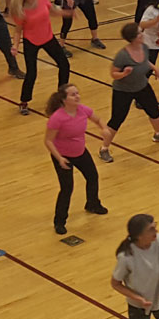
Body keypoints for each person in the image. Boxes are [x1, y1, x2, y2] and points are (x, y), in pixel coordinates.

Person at [96, 23, 159, 164]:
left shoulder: (144, 48)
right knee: (117, 119)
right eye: (139, 34)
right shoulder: (122, 55)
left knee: (154, 111)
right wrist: (123, 73)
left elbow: (145, 61)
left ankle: (158, 134)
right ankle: (104, 148)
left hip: (142, 86)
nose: (142, 34)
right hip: (123, 91)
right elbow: (113, 74)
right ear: (133, 38)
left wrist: (156, 69)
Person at [43, 83, 108, 236]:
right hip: (63, 156)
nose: (77, 96)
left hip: (80, 152)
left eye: (77, 93)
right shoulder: (57, 118)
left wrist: (104, 129)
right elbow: (48, 141)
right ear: (64, 99)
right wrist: (59, 158)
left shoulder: (82, 109)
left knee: (92, 176)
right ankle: (59, 221)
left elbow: (98, 120)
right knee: (67, 189)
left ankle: (92, 204)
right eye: (73, 94)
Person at [11, 0, 73, 115]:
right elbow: (18, 30)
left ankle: (61, 97)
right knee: (32, 73)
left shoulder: (43, 0)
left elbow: (54, 11)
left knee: (64, 65)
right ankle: (24, 101)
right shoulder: (21, 10)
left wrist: (67, 13)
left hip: (48, 38)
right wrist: (15, 46)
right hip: (31, 41)